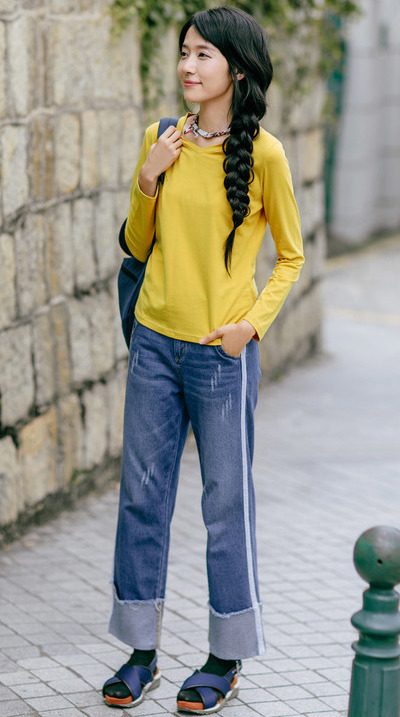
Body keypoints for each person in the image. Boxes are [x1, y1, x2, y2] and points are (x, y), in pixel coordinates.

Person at [102, 5, 304, 714]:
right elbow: (137, 243)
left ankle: (226, 656)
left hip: (221, 354)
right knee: (142, 497)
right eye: (185, 52)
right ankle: (140, 651)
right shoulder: (160, 138)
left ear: (237, 70)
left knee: (225, 503)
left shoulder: (266, 154)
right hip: (155, 343)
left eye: (204, 55)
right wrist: (149, 178)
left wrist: (250, 326)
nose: (188, 65)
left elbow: (291, 255)